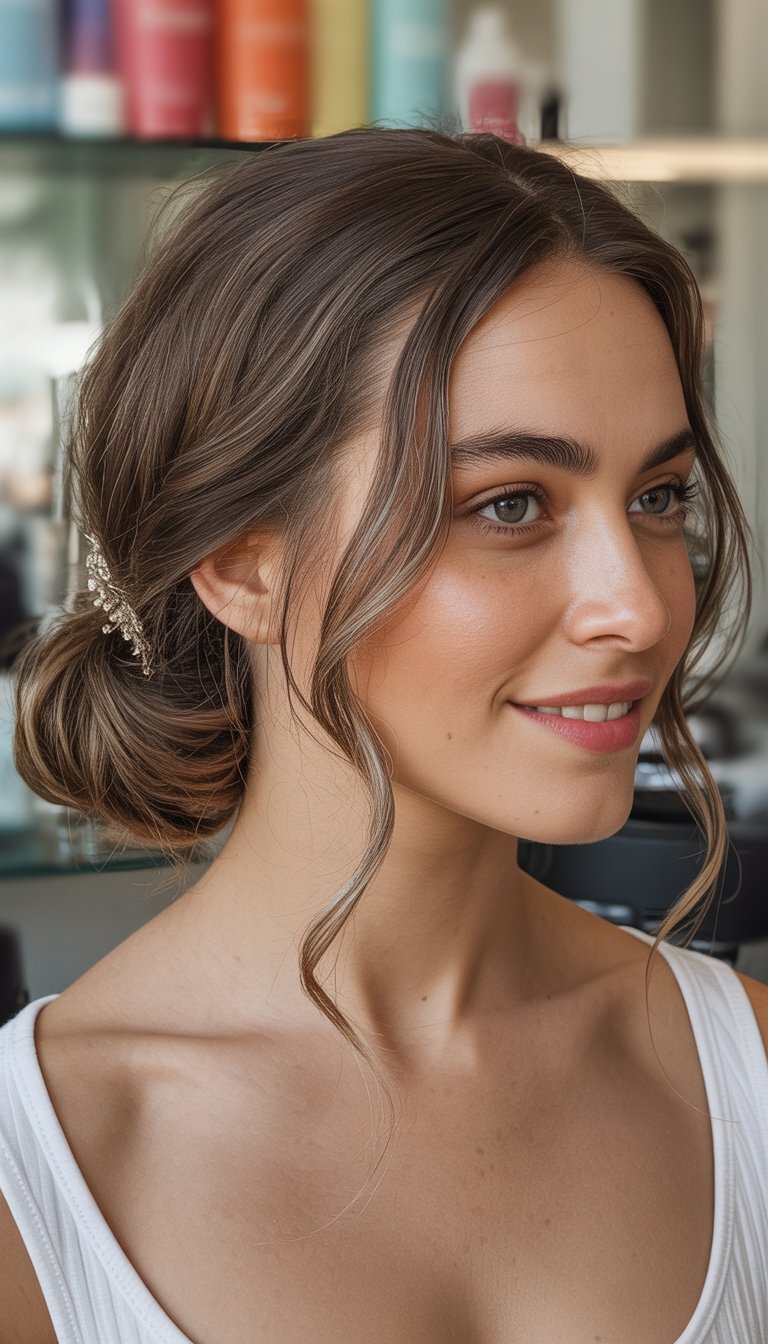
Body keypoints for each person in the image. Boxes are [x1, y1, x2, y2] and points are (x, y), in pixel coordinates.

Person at [0, 127, 766, 1344]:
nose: (640, 605)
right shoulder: (39, 1182)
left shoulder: (751, 1082)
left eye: (657, 498)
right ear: (242, 564)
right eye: (508, 504)